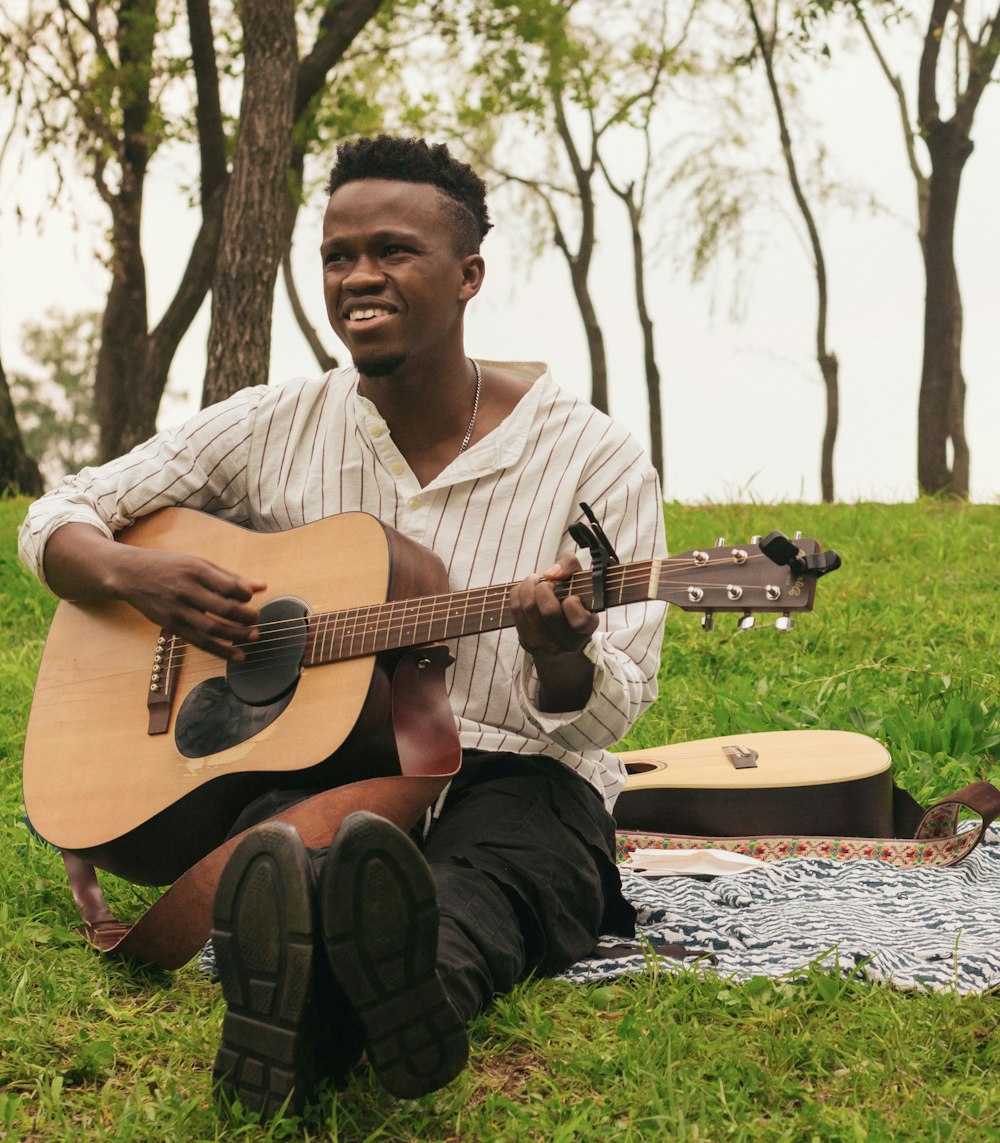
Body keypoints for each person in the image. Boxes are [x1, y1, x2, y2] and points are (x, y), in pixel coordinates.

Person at [18, 135, 667, 1118]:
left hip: (519, 776)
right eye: (337, 254)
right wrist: (130, 573)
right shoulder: (274, 420)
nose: (358, 275)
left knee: (495, 887)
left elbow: (604, 711)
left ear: (467, 275)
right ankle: (323, 991)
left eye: (394, 250)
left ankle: (330, 1018)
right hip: (326, 774)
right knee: (290, 857)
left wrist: (559, 651)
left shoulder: (592, 458)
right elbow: (58, 512)